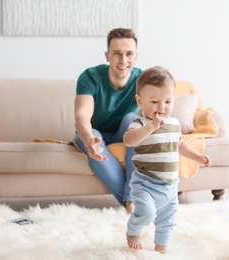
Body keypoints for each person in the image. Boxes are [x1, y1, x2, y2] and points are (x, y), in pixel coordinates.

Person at [123, 66, 212, 254]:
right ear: (140, 101)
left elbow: (179, 144)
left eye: (168, 101)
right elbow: (128, 140)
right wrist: (151, 127)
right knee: (146, 214)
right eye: (154, 101)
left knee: (168, 219)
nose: (161, 107)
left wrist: (196, 157)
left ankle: (160, 249)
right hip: (145, 183)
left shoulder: (174, 123)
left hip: (170, 186)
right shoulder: (140, 124)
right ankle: (133, 231)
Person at [73, 28, 142, 214]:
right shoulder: (90, 77)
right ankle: (134, 205)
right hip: (94, 134)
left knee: (133, 119)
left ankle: (132, 200)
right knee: (93, 136)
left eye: (129, 54)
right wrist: (89, 139)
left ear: (135, 57)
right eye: (117, 54)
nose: (123, 60)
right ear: (107, 56)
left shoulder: (142, 80)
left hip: (124, 134)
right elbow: (81, 115)